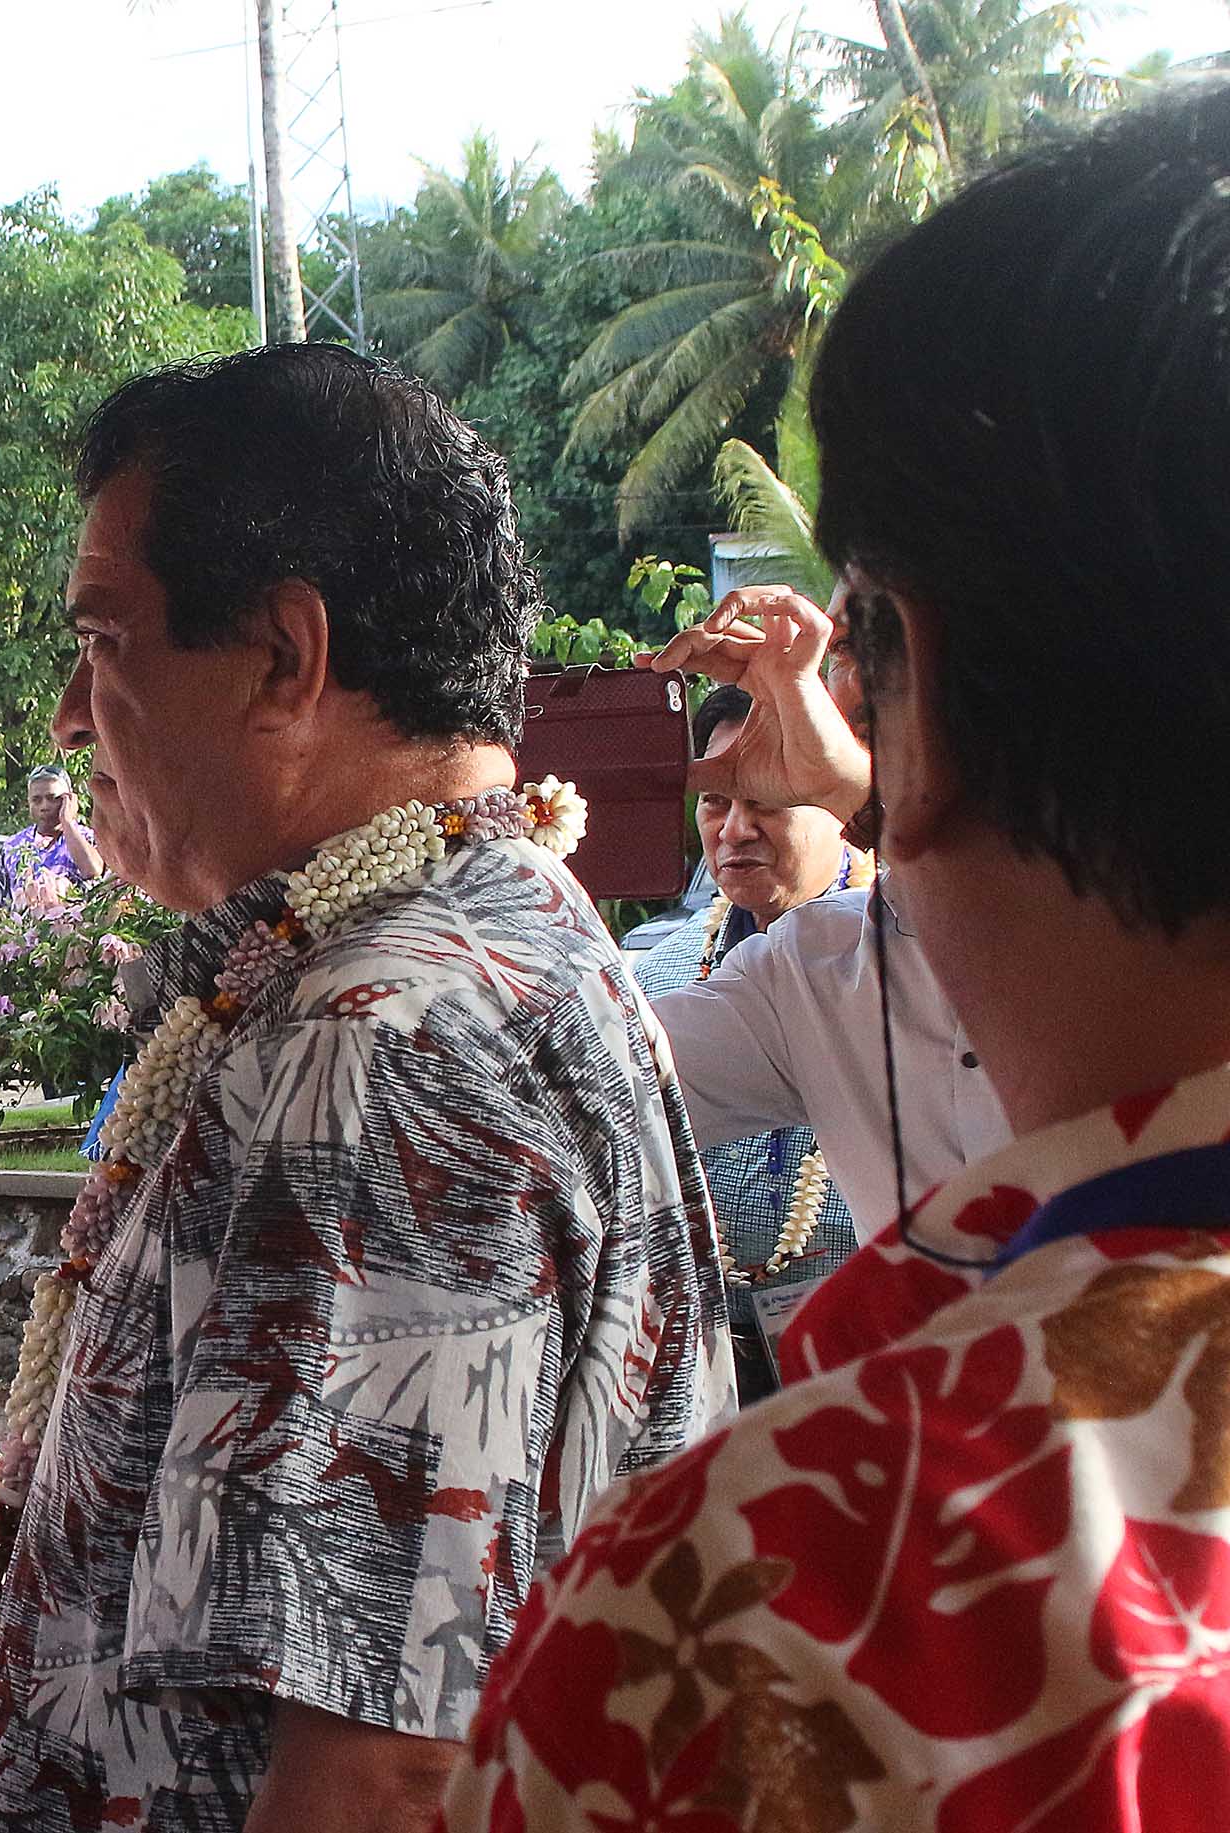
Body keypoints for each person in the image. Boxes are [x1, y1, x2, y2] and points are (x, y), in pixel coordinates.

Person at [0, 344, 734, 1833]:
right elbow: (211, 1678)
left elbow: (390, 1765)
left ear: (286, 657)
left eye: (108, 639)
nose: (74, 718)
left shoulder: (376, 1045)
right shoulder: (494, 931)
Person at [447, 84, 1230, 1828]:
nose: (733, 805)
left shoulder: (759, 1604)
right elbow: (610, 1064)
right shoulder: (796, 980)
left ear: (903, 683)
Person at [638, 590, 1010, 1237]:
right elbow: (575, 1082)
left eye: (891, 637)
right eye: (842, 645)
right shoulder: (807, 968)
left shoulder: (1143, 909)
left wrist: (857, 792)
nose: (865, 677)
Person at [628, 683, 867, 1398]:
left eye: (766, 798)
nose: (734, 828)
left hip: (878, 1377)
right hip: (707, 1383)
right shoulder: (654, 978)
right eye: (715, 800)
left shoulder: (907, 962)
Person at [0, 764, 102, 905]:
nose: (44, 806)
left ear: (69, 799)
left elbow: (93, 871)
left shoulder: (88, 838)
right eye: (36, 800)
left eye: (53, 798)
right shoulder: (13, 846)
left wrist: (67, 822)